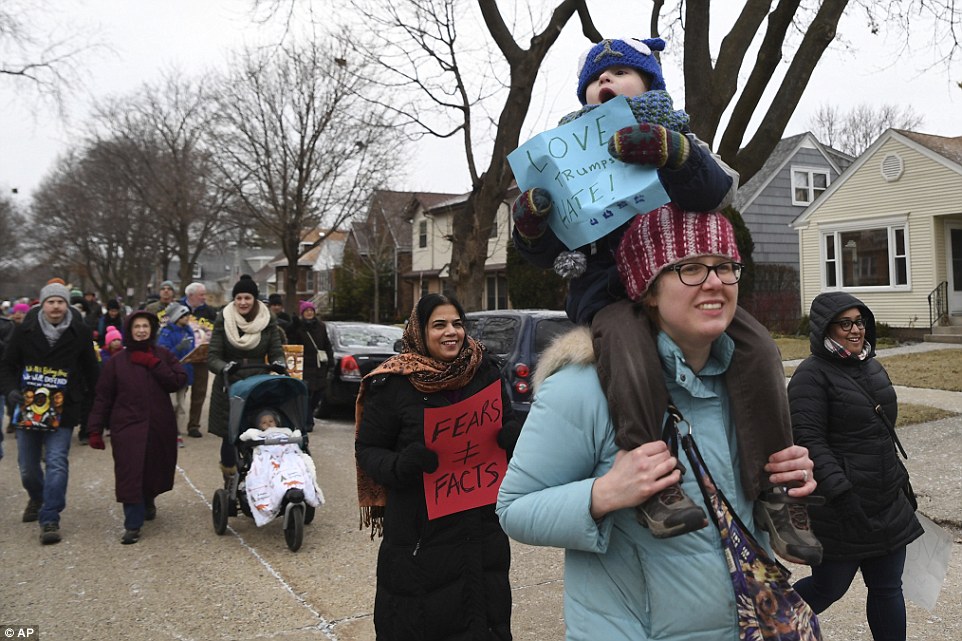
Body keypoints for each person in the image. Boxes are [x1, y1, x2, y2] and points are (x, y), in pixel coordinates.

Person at [510, 36, 818, 562]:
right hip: (609, 293)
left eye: (620, 74)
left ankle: (774, 489)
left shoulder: (675, 136)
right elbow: (547, 251)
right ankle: (654, 480)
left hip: (683, 283)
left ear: (649, 85)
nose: (604, 83)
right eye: (594, 79)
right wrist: (532, 224)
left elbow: (714, 192)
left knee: (760, 347)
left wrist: (674, 153)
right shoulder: (565, 157)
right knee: (627, 348)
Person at [497, 208, 819, 640]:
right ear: (648, 290)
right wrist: (605, 493)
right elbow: (515, 509)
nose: (714, 282)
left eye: (725, 267)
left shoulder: (749, 385)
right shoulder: (582, 388)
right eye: (688, 268)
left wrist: (787, 477)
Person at [355, 293, 522, 641]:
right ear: (419, 331)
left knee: (484, 618)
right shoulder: (392, 384)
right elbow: (368, 449)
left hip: (481, 529)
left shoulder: (485, 370)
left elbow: (505, 424)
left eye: (457, 323)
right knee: (420, 623)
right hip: (419, 535)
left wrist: (514, 437)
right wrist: (401, 465)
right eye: (439, 325)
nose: (452, 332)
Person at [788, 292, 923, 641]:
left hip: (886, 502)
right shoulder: (811, 376)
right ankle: (764, 623)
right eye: (845, 323)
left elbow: (882, 434)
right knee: (828, 588)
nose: (856, 330)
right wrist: (842, 494)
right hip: (841, 508)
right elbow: (810, 441)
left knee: (888, 587)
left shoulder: (871, 366)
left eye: (860, 321)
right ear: (824, 329)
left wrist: (901, 483)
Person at [0, 281, 100, 545]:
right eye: (51, 302)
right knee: (28, 469)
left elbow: (92, 371)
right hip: (29, 407)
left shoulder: (79, 331)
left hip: (64, 408)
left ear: (66, 305)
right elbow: (7, 366)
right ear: (42, 305)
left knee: (56, 461)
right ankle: (37, 496)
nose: (56, 307)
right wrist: (11, 391)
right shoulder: (24, 331)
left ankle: (50, 517)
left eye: (60, 302)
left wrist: (96, 407)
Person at [86, 311, 187, 544]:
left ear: (151, 330)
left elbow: (177, 381)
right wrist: (94, 429)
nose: (141, 330)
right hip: (127, 426)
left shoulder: (162, 355)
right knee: (129, 472)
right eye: (136, 326)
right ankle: (132, 523)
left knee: (153, 468)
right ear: (129, 330)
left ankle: (148, 498)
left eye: (145, 326)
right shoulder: (116, 362)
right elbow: (103, 397)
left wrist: (154, 364)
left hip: (158, 425)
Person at [207, 275, 285, 485]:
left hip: (257, 381)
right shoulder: (224, 318)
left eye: (247, 298)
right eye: (239, 298)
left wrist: (279, 363)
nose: (242, 302)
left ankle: (261, 475)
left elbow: (276, 350)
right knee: (229, 434)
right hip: (229, 382)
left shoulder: (267, 319)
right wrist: (224, 367)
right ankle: (230, 478)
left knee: (260, 428)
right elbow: (212, 356)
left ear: (255, 299)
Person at [239, 409, 323, 527]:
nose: (268, 424)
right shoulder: (256, 433)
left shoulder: (285, 431)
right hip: (268, 456)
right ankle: (274, 495)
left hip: (288, 455)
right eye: (264, 422)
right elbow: (243, 437)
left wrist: (299, 436)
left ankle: (296, 486)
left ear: (277, 422)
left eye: (271, 421)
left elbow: (296, 436)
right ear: (258, 425)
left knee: (300, 467)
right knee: (267, 473)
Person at [287, 300, 333, 421]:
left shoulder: (321, 326)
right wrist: (293, 327)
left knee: (319, 393)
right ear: (302, 313)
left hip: (319, 365)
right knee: (306, 393)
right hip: (305, 365)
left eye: (311, 310)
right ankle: (307, 420)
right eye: (306, 311)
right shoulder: (299, 327)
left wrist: (330, 361)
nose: (309, 313)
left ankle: (308, 414)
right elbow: (291, 342)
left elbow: (327, 344)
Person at [180, 282, 216, 439]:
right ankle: (174, 425)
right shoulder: (178, 308)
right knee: (179, 393)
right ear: (190, 295)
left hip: (201, 358)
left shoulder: (209, 311)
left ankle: (193, 425)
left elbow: (216, 329)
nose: (204, 297)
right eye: (201, 294)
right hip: (182, 358)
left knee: (199, 392)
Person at [157, 302, 195, 448]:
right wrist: (178, 348)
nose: (187, 317)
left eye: (187, 315)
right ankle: (168, 431)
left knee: (181, 406)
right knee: (171, 404)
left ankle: (177, 433)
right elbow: (163, 354)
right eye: (184, 315)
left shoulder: (189, 330)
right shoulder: (166, 332)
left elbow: (191, 351)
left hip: (185, 372)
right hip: (170, 373)